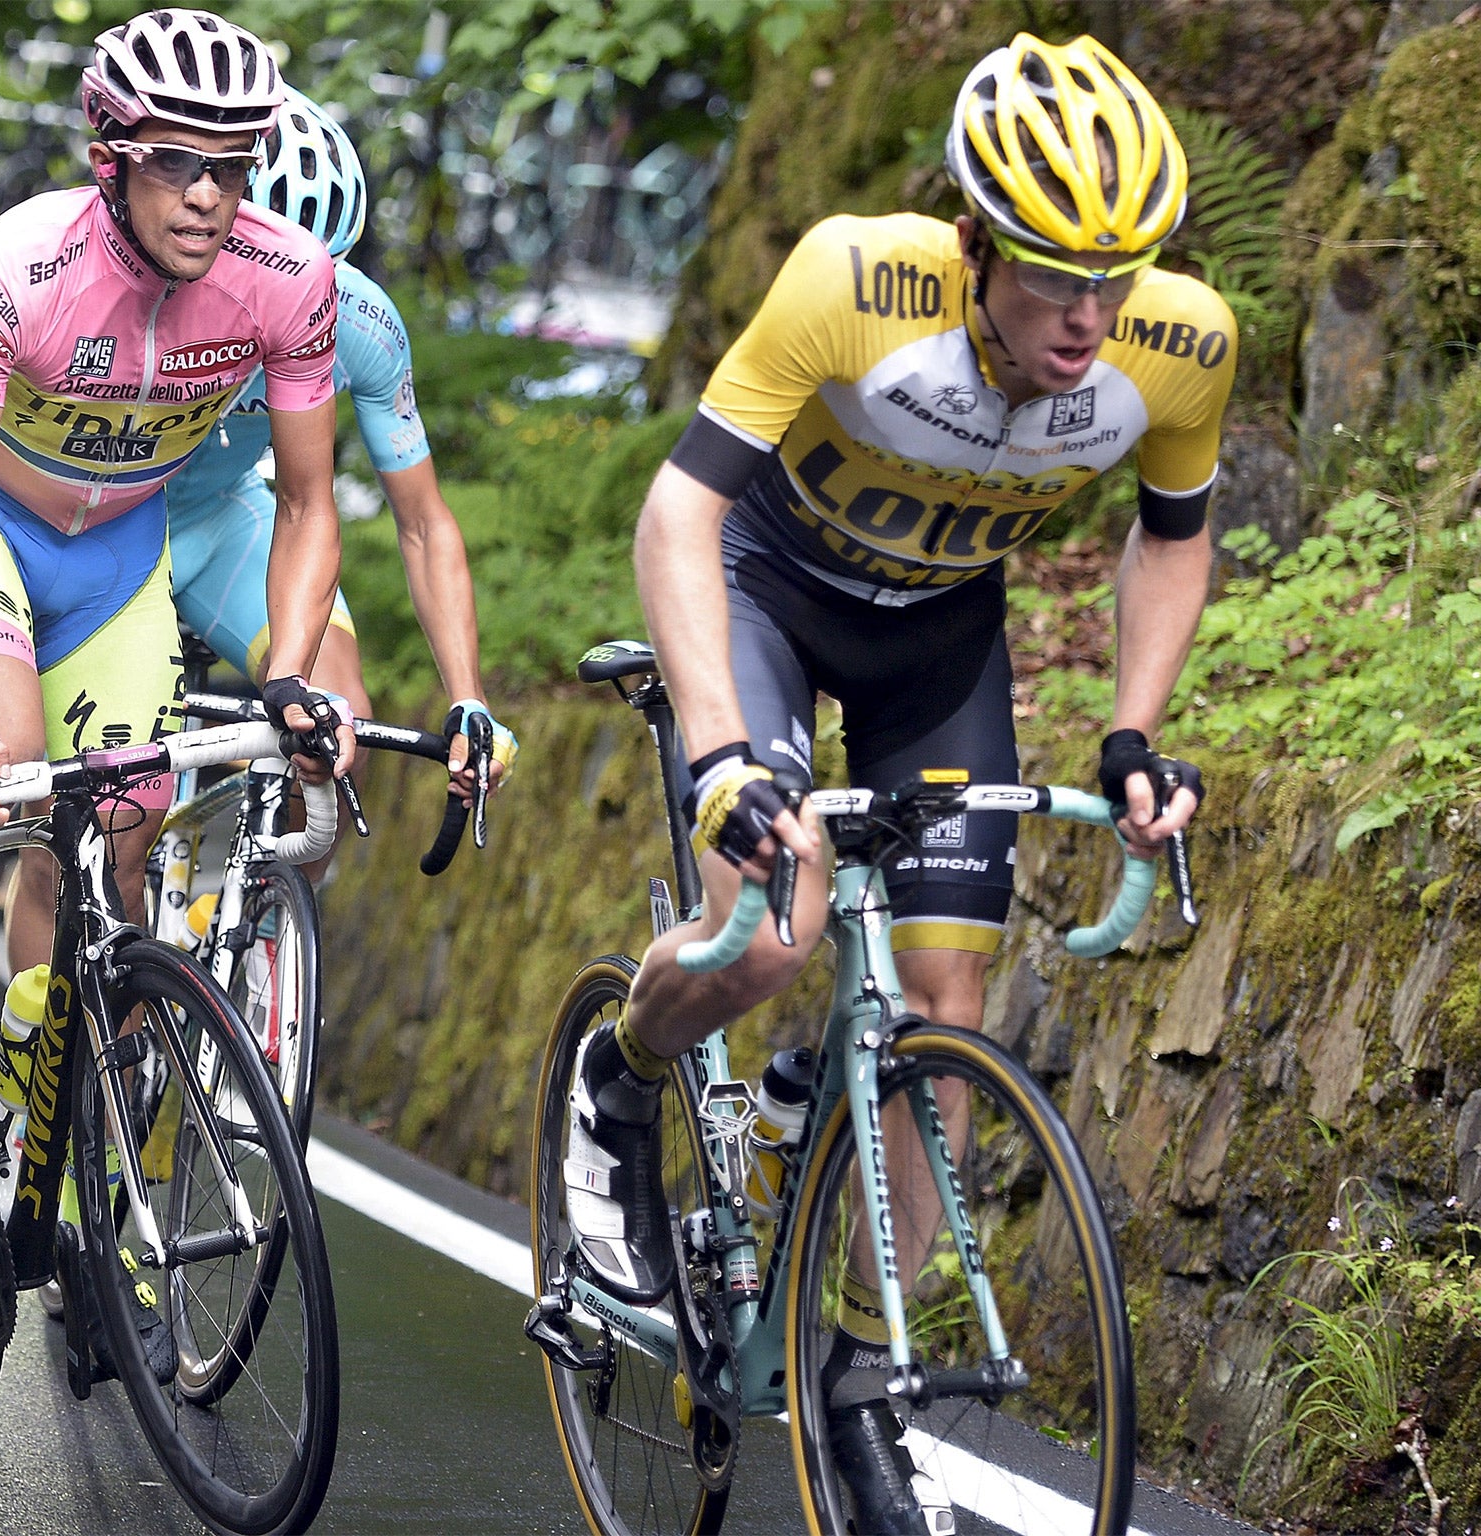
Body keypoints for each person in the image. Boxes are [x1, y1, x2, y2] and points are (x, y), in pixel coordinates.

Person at [565, 32, 1231, 1532]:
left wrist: (1131, 734)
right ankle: (625, 1072)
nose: (1090, 315)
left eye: (1117, 277)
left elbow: (1176, 533)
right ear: (977, 241)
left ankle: (861, 1377)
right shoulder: (854, 284)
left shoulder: (1176, 345)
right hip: (767, 598)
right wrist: (728, 751)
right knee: (775, 928)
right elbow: (679, 514)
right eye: (1057, 276)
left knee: (947, 1021)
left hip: (940, 644)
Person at [0, 8, 354, 1180]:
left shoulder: (289, 284)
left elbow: (307, 504)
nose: (207, 198)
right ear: (110, 161)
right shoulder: (17, 267)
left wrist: (285, 667)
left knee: (119, 838)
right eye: (177, 164)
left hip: (124, 556)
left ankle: (49, 1127)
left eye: (232, 169)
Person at [164, 85, 516, 803]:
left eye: (315, 275)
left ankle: (261, 910)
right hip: (115, 526)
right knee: (105, 821)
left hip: (221, 519)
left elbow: (422, 522)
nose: (290, 301)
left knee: (336, 732)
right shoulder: (152, 287)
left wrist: (468, 696)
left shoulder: (362, 323)